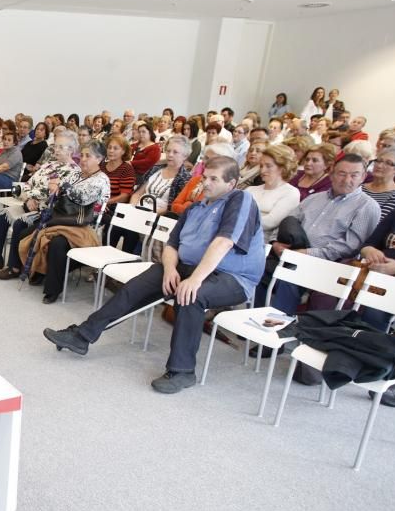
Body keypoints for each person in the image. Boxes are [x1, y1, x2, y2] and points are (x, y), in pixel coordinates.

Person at [43, 156, 264, 394]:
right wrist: (169, 269)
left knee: (190, 296)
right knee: (135, 287)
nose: (206, 183)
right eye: (205, 177)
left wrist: (194, 280)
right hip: (189, 267)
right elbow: (172, 245)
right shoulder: (196, 207)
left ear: (231, 184)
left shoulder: (240, 199)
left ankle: (182, 371)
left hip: (232, 276)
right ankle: (82, 336)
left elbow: (223, 243)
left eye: (214, 179)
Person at [263, 154, 382, 314]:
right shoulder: (314, 198)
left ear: (363, 177)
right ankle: (255, 320)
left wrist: (307, 254)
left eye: (354, 175)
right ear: (332, 173)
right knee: (259, 266)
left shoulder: (367, 206)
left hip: (330, 264)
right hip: (293, 251)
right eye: (342, 173)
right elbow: (288, 220)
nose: (347, 180)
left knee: (291, 274)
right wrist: (275, 243)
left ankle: (277, 325)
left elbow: (350, 246)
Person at [21, 141, 111, 304]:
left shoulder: (101, 179)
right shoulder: (76, 174)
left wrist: (62, 187)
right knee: (27, 233)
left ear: (99, 159)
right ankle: (40, 270)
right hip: (62, 219)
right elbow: (60, 192)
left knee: (57, 244)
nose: (82, 159)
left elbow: (82, 198)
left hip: (83, 227)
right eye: (82, 155)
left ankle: (52, 289)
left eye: (88, 156)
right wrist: (56, 188)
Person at [0, 135, 80, 273]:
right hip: (29, 203)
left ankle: (14, 267)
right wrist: (28, 198)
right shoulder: (48, 164)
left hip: (47, 211)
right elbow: (28, 184)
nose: (56, 149)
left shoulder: (74, 171)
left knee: (21, 222)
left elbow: (55, 193)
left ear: (71, 150)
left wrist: (34, 198)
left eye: (61, 147)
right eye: (56, 146)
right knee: (0, 216)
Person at [247, 144, 300, 242]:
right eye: (261, 166)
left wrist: (241, 220)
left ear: (283, 168)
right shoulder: (250, 190)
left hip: (262, 241)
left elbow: (271, 222)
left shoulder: (290, 193)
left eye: (268, 166)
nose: (262, 170)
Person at [359, 207, 395, 329]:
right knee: (328, 296)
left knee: (374, 307)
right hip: (376, 271)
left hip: (393, 282)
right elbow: (367, 245)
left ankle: (366, 345)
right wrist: (370, 251)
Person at [170, 142, 237, 214]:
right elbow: (174, 206)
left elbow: (200, 212)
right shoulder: (196, 179)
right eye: (205, 157)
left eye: (210, 159)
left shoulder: (219, 186)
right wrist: (189, 206)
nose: (204, 161)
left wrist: (187, 204)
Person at [362, 145, 395, 218]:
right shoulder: (360, 187)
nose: (379, 166)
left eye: (388, 163)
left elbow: (380, 224)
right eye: (378, 160)